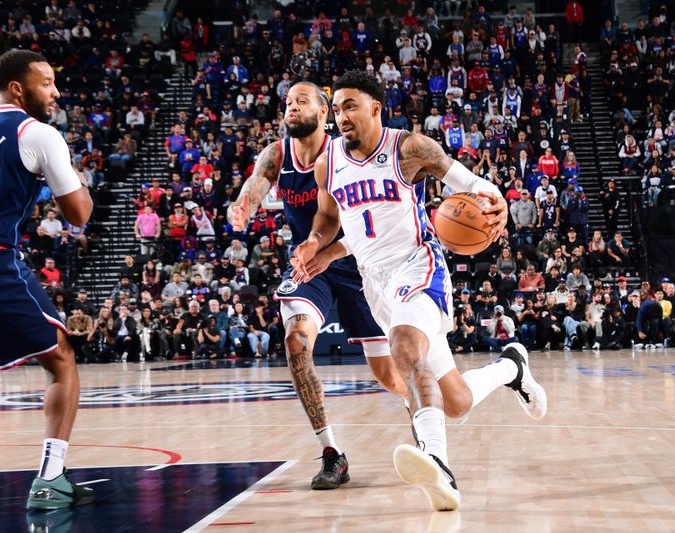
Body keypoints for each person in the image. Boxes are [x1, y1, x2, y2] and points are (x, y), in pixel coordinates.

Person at [292, 71, 546, 511]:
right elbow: (330, 219)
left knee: (404, 347)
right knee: (456, 403)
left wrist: (494, 197)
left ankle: (439, 466)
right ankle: (512, 368)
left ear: (375, 108)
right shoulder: (327, 162)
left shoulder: (408, 147)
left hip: (419, 266)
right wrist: (319, 244)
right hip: (375, 282)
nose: (341, 117)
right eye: (337, 109)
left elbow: (468, 183)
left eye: (351, 106)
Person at [228, 81, 409, 490]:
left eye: (302, 101)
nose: (291, 107)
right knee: (295, 342)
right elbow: (254, 185)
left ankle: (420, 418)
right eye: (288, 102)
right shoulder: (277, 153)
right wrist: (243, 205)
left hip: (355, 259)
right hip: (309, 264)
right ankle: (332, 452)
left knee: (387, 373)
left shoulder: (343, 153)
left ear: (324, 113)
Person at [0, 50, 94, 508]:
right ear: (18, 89)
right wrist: (70, 173)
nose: (56, 92)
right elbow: (79, 215)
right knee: (61, 358)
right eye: (47, 83)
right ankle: (51, 479)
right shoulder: (38, 133)